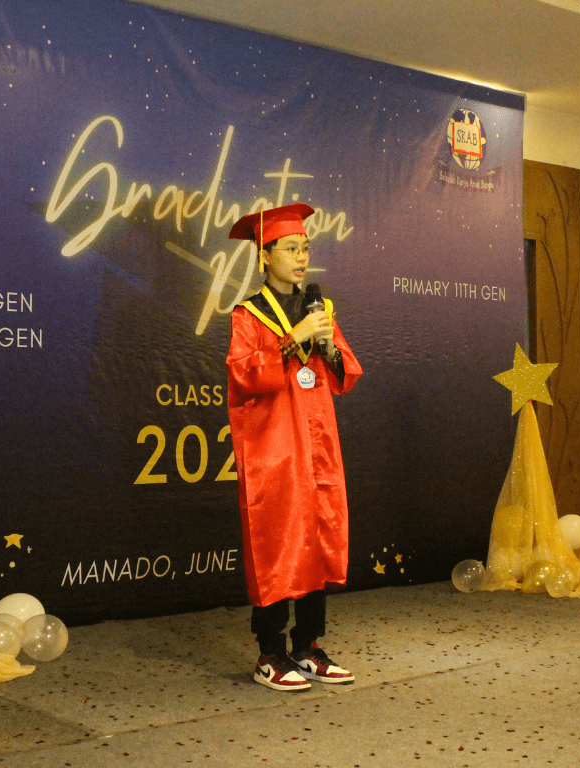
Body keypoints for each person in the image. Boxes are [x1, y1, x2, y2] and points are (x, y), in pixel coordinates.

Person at [226, 203, 363, 691]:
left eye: (305, 248)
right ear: (265, 256)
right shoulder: (248, 314)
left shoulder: (318, 308)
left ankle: (308, 646)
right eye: (290, 249)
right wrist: (290, 342)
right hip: (275, 449)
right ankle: (270, 652)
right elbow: (243, 376)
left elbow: (346, 373)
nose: (301, 257)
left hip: (319, 444)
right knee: (278, 545)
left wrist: (325, 346)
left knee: (318, 542)